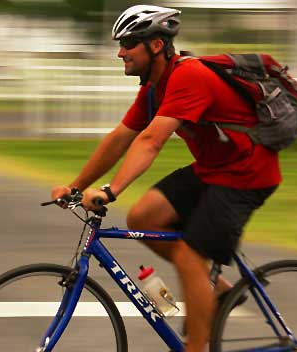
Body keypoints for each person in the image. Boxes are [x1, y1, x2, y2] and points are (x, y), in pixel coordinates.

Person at [51, 5, 280, 351]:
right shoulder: (155, 87)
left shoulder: (189, 77)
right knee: (144, 217)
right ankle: (216, 291)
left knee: (189, 257)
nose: (120, 52)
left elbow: (150, 141)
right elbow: (120, 138)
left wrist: (110, 190)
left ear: (156, 46)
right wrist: (76, 186)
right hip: (213, 169)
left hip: (245, 174)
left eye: (128, 44)